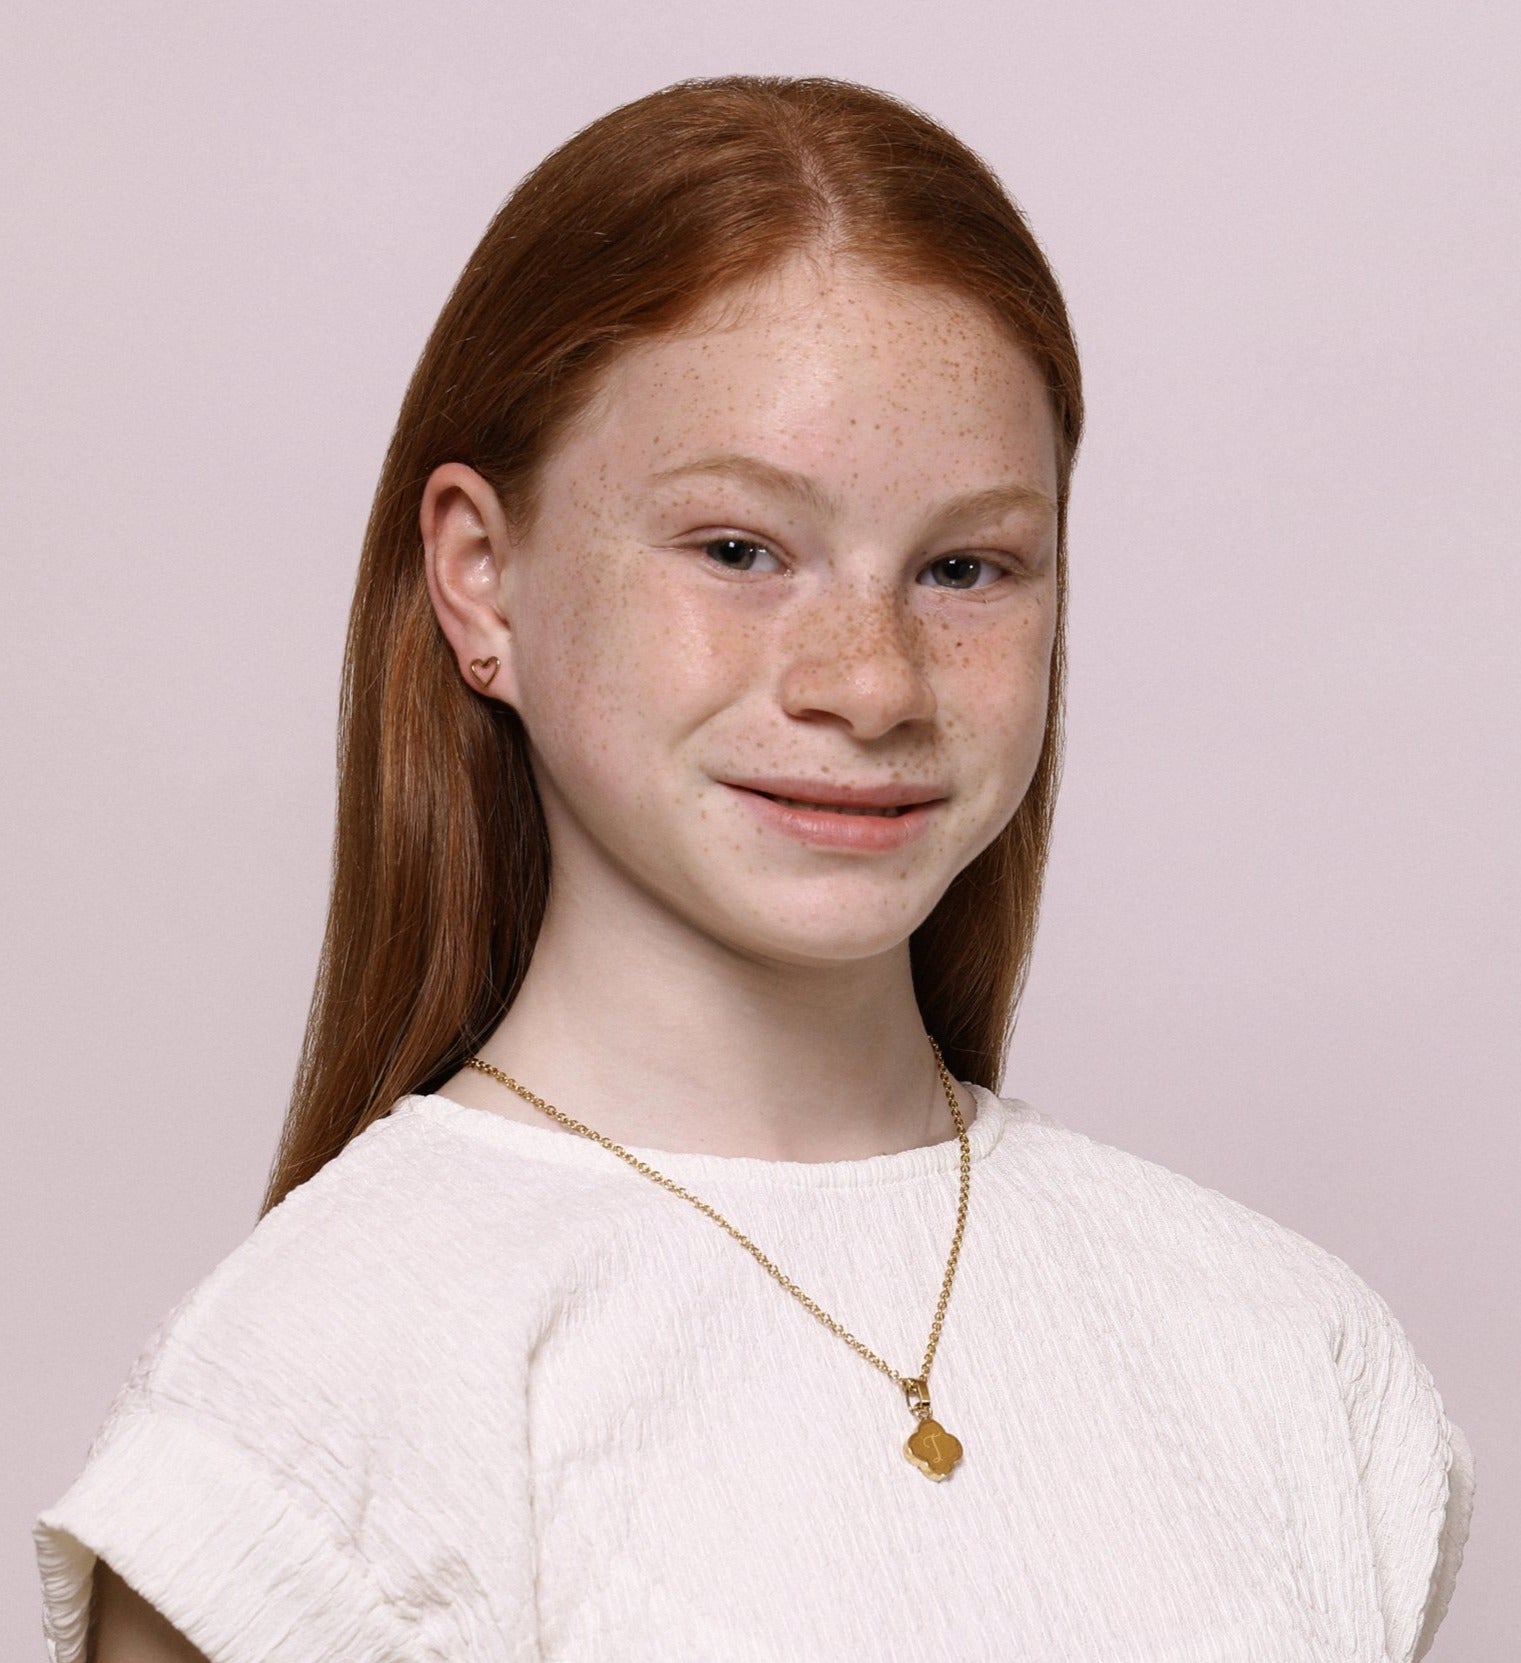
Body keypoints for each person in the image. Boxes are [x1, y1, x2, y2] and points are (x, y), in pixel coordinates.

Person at [34, 73, 1473, 1663]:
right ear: (481, 579)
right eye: (737, 550)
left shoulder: (1286, 1355)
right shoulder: (311, 1429)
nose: (870, 683)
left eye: (965, 567)